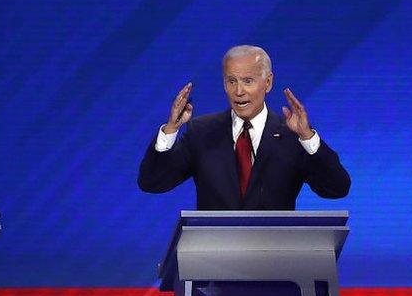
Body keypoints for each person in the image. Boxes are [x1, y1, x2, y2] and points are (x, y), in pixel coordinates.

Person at [138, 45, 350, 210]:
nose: (238, 91)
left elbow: (337, 188)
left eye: (248, 81)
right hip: (214, 259)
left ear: (268, 83)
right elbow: (152, 183)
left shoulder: (292, 136)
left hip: (274, 258)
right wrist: (170, 130)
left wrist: (308, 138)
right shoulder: (202, 132)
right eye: (231, 81)